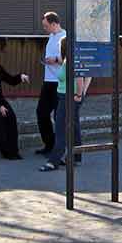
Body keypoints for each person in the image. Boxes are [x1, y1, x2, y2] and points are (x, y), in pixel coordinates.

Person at [40, 37, 91, 172]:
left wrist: (79, 95)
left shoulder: (72, 60)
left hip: (68, 98)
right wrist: (81, 95)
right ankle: (76, 156)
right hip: (66, 96)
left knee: (60, 127)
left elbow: (80, 79)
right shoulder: (70, 59)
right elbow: (87, 75)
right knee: (73, 125)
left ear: (64, 47)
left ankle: (54, 161)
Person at [36, 11, 66, 156]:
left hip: (59, 81)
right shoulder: (51, 36)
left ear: (54, 24)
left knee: (58, 116)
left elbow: (68, 57)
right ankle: (49, 144)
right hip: (48, 80)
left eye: (46, 26)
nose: (45, 29)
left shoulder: (64, 37)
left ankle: (58, 148)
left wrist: (54, 60)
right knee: (41, 112)